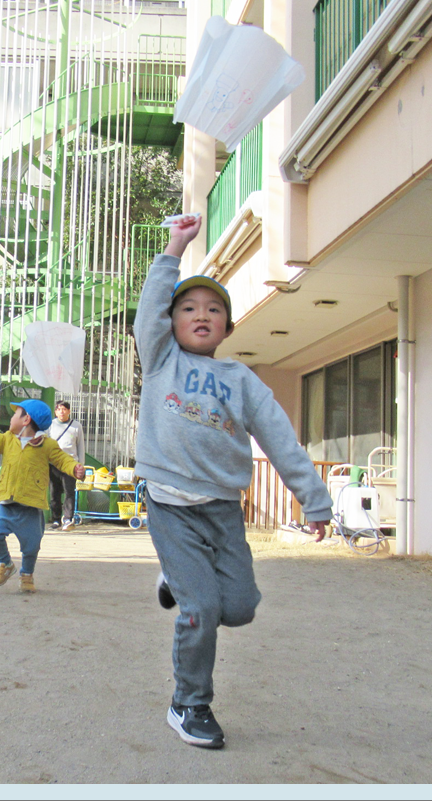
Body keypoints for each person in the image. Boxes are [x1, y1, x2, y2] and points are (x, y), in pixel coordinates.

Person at [134, 214, 333, 749]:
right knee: (201, 610)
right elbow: (150, 308)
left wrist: (314, 501)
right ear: (170, 322)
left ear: (227, 326)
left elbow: (281, 440)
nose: (201, 315)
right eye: (188, 308)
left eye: (214, 309)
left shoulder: (241, 380)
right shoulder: (161, 359)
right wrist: (175, 246)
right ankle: (189, 704)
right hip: (170, 505)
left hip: (221, 509)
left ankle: (176, 580)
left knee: (239, 608)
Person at [0, 399, 85, 594]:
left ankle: (26, 575)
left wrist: (74, 468)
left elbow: (63, 460)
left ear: (26, 420)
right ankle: (5, 563)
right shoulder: (7, 440)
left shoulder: (47, 445)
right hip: (7, 503)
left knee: (31, 546)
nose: (11, 418)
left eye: (15, 414)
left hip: (31, 507)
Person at [47, 400, 85, 531]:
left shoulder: (76, 426)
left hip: (70, 464)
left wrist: (80, 465)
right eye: (59, 409)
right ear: (55, 412)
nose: (61, 412)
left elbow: (80, 446)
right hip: (53, 464)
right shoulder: (50, 425)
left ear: (69, 411)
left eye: (64, 409)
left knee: (69, 492)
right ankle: (56, 519)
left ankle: (68, 519)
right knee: (54, 493)